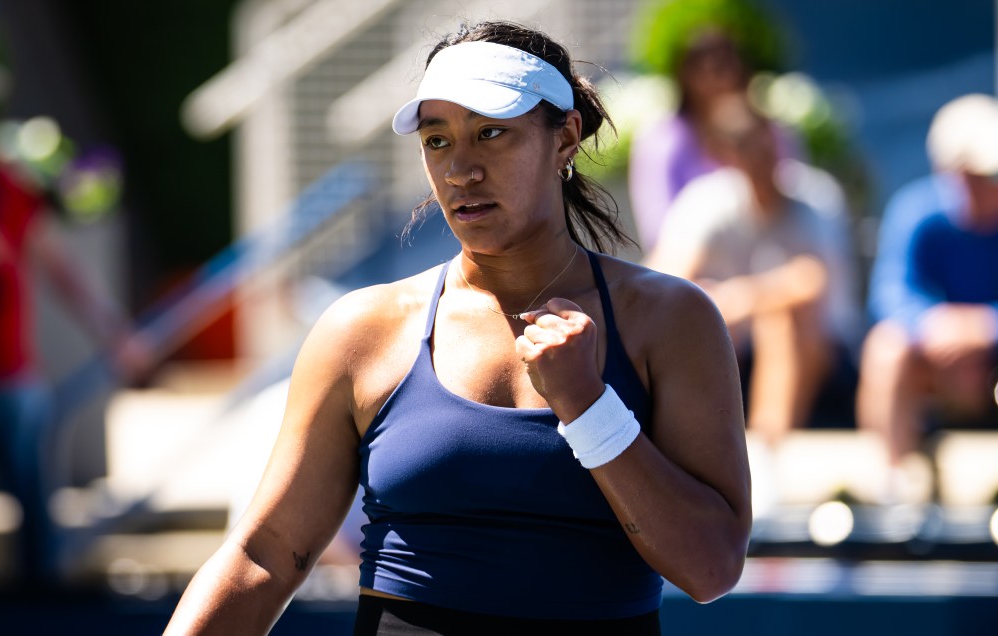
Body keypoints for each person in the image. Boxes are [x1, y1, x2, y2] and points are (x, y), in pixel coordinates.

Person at [164, 21, 751, 635]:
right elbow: (264, 555)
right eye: (437, 140)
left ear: (566, 138)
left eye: (491, 133)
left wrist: (587, 407)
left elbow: (711, 569)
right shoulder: (360, 331)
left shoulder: (672, 320)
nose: (461, 169)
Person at [0, 51, 146, 586]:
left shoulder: (9, 184)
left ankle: (41, 606)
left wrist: (115, 333)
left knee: (34, 505)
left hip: (14, 373)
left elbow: (60, 268)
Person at [645, 93, 860, 448]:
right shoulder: (707, 202)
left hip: (826, 349)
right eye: (748, 148)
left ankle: (765, 452)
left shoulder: (816, 197)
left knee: (780, 319)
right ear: (726, 156)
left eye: (767, 145)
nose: (763, 159)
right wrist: (726, 303)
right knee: (699, 321)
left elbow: (812, 282)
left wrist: (742, 298)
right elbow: (665, 282)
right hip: (735, 345)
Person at [857, 94, 998, 500]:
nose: (982, 186)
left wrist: (984, 328)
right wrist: (934, 327)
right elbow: (890, 292)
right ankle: (895, 487)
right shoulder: (917, 211)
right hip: (935, 364)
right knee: (887, 349)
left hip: (991, 362)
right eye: (971, 174)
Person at [627, 0, 796, 252]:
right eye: (705, 61)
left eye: (730, 58)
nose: (722, 73)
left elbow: (795, 208)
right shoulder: (661, 141)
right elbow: (661, 237)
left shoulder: (773, 132)